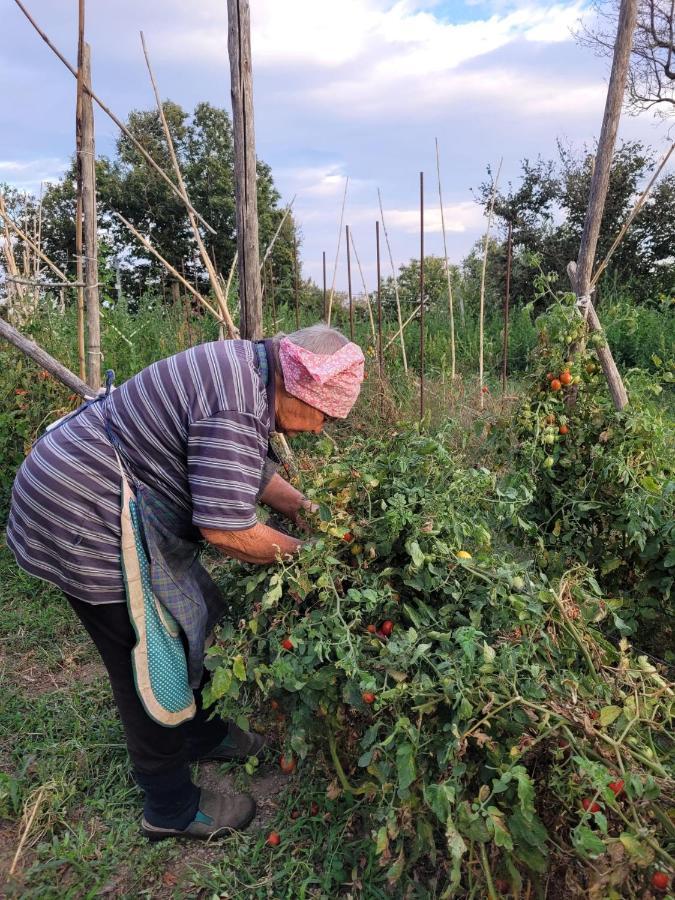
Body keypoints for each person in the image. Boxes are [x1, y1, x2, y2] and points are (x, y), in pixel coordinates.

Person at [6, 324, 365, 841]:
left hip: (102, 482)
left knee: (191, 611)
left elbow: (245, 468)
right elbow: (225, 530)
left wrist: (306, 511)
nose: (320, 429)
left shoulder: (251, 369)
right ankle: (169, 806)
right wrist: (314, 556)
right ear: (303, 389)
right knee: (147, 654)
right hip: (79, 507)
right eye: (325, 416)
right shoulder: (240, 402)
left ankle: (202, 732)